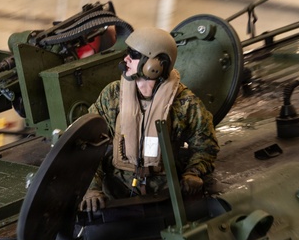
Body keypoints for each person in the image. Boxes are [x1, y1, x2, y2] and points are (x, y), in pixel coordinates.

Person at [80, 26, 219, 212]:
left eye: (134, 54)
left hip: (166, 194)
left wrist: (193, 173)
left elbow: (206, 146)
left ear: (155, 64)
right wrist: (92, 189)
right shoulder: (113, 95)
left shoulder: (184, 103)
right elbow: (87, 143)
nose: (126, 59)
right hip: (116, 193)